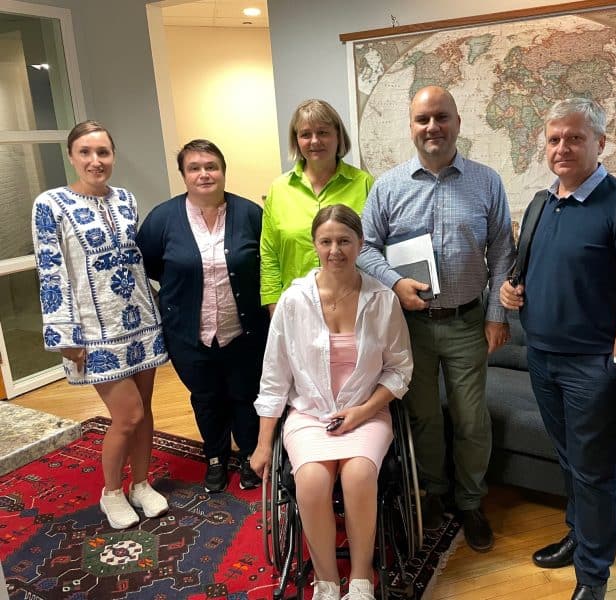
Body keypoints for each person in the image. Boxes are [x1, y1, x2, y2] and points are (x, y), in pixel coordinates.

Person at [500, 98, 616, 600]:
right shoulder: (543, 202)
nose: (562, 147)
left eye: (574, 138)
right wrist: (509, 292)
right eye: (554, 139)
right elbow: (525, 272)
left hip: (594, 366)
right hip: (542, 360)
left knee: (593, 470)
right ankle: (580, 535)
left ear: (600, 143)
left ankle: (594, 577)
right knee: (570, 461)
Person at [357, 85, 515, 553]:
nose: (432, 127)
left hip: (468, 322)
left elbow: (504, 251)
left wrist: (496, 315)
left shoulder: (486, 181)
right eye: (423, 119)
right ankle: (434, 493)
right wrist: (394, 282)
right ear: (411, 127)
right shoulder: (387, 186)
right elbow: (364, 247)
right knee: (423, 417)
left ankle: (470, 501)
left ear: (457, 122)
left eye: (441, 117)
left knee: (471, 420)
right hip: (410, 329)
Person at [250, 204, 412, 600]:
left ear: (360, 244)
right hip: (309, 414)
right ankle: (325, 581)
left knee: (358, 476)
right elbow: (274, 378)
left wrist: (363, 411)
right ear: (315, 245)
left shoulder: (382, 300)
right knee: (311, 479)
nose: (335, 250)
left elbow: (400, 370)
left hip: (367, 411)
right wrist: (261, 442)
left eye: (344, 241)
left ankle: (359, 579)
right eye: (326, 241)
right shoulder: (293, 301)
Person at [32, 120, 169, 529]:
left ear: (113, 155)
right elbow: (51, 271)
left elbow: (138, 261)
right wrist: (64, 333)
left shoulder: (126, 200)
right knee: (125, 416)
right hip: (93, 332)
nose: (96, 161)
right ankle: (112, 493)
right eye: (86, 153)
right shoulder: (50, 205)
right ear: (72, 156)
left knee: (144, 412)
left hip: (140, 324)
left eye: (103, 152)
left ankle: (141, 484)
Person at [137, 139, 267, 493]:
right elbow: (146, 265)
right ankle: (215, 457)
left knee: (246, 394)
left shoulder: (250, 214)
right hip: (189, 334)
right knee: (206, 396)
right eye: (194, 168)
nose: (204, 174)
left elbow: (267, 265)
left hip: (244, 330)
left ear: (223, 171)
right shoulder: (163, 218)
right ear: (183, 175)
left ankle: (251, 456)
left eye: (211, 166)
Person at [261, 99, 373, 315]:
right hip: (296, 308)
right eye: (305, 134)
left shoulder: (364, 184)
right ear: (296, 140)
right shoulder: (279, 189)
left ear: (338, 136)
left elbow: (376, 248)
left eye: (323, 132)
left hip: (355, 305)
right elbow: (269, 255)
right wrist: (275, 306)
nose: (314, 141)